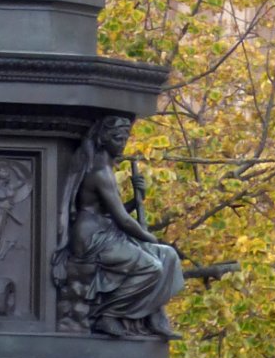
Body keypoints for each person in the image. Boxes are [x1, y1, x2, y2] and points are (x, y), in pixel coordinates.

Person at [54, 113, 183, 337]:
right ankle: (109, 315)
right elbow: (122, 219)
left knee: (169, 256)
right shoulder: (99, 171)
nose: (122, 144)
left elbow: (113, 212)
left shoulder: (105, 168)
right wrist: (148, 237)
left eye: (124, 138)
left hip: (108, 230)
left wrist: (136, 198)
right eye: (117, 138)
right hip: (93, 237)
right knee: (151, 267)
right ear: (103, 138)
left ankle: (152, 316)